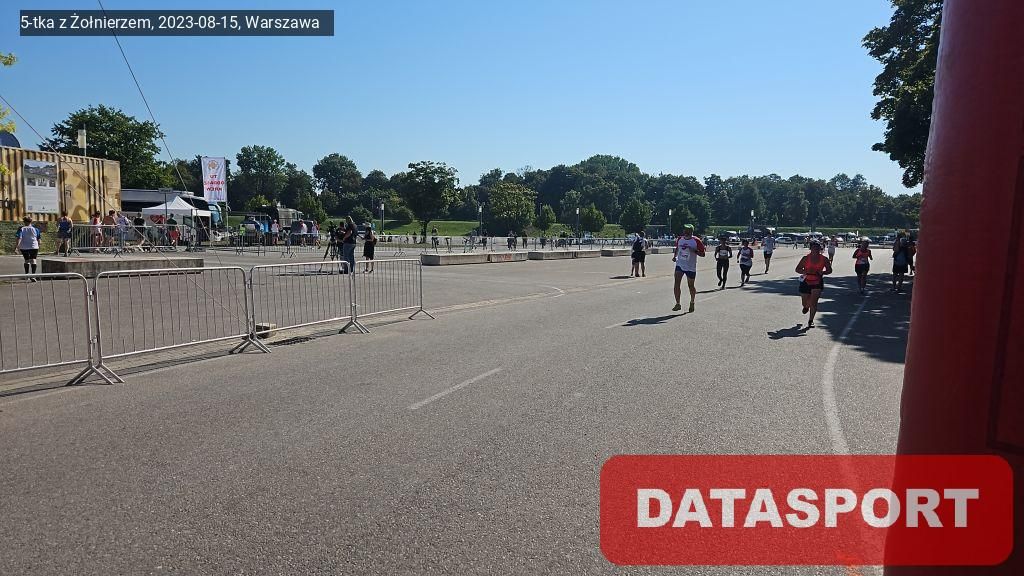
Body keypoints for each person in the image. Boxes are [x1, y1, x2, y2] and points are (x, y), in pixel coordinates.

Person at [796, 240, 833, 328]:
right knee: (805, 303)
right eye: (814, 248)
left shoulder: (824, 259)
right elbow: (797, 269)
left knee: (814, 302)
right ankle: (806, 307)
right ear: (811, 248)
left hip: (817, 281)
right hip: (806, 280)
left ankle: (811, 320)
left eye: (817, 248)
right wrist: (805, 271)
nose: (816, 249)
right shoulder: (805, 258)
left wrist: (823, 272)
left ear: (820, 249)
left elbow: (829, 270)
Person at [672, 224, 705, 312]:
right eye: (685, 230)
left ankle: (692, 302)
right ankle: (678, 304)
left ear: (691, 231)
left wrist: (694, 250)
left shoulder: (696, 241)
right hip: (680, 265)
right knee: (676, 283)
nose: (686, 232)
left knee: (691, 286)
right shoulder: (680, 239)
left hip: (690, 267)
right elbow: (677, 248)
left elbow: (703, 254)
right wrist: (675, 256)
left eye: (688, 231)